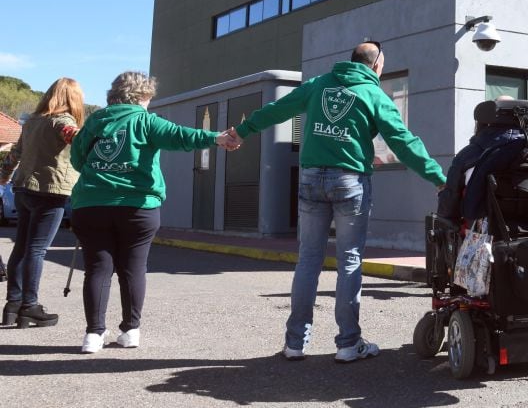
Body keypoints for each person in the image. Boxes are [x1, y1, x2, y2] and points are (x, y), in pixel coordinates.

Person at [232, 42, 446, 362]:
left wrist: (242, 130)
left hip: (310, 178)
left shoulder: (318, 85)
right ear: (376, 65)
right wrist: (439, 178)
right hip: (350, 182)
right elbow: (402, 141)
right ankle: (348, 343)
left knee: (308, 260)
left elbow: (279, 109)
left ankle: (295, 343)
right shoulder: (373, 95)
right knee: (349, 261)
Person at [70, 72, 239, 353]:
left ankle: (93, 334)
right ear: (142, 96)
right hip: (138, 206)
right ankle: (130, 331)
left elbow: (77, 160)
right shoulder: (146, 121)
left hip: (91, 204)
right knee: (133, 268)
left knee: (97, 269)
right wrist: (217, 138)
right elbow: (180, 136)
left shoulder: (95, 121)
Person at [0, 78, 84, 328]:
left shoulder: (32, 122)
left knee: (22, 247)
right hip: (50, 191)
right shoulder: (64, 122)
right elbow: (78, 139)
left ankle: (13, 304)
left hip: (23, 188)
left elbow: (15, 153)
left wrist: (4, 176)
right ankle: (30, 306)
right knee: (37, 250)